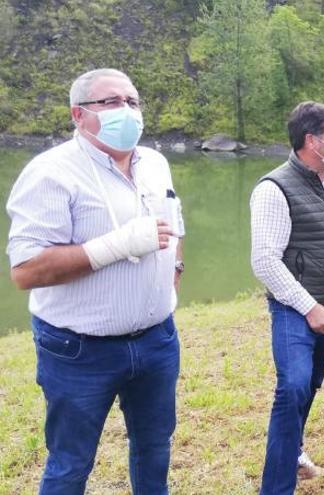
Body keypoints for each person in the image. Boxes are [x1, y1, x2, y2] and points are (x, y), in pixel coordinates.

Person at [6, 68, 184, 494]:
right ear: (78, 115)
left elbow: (174, 224)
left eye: (132, 101)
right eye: (110, 102)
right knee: (71, 463)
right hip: (79, 351)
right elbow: (26, 270)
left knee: (155, 448)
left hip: (157, 341)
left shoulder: (156, 163)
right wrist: (117, 245)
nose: (126, 110)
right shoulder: (49, 172)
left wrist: (174, 272)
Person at [250, 101, 324, 494]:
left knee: (310, 382)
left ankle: (293, 451)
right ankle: (276, 488)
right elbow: (264, 261)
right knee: (293, 385)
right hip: (295, 308)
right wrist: (309, 307)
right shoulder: (274, 188)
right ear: (312, 141)